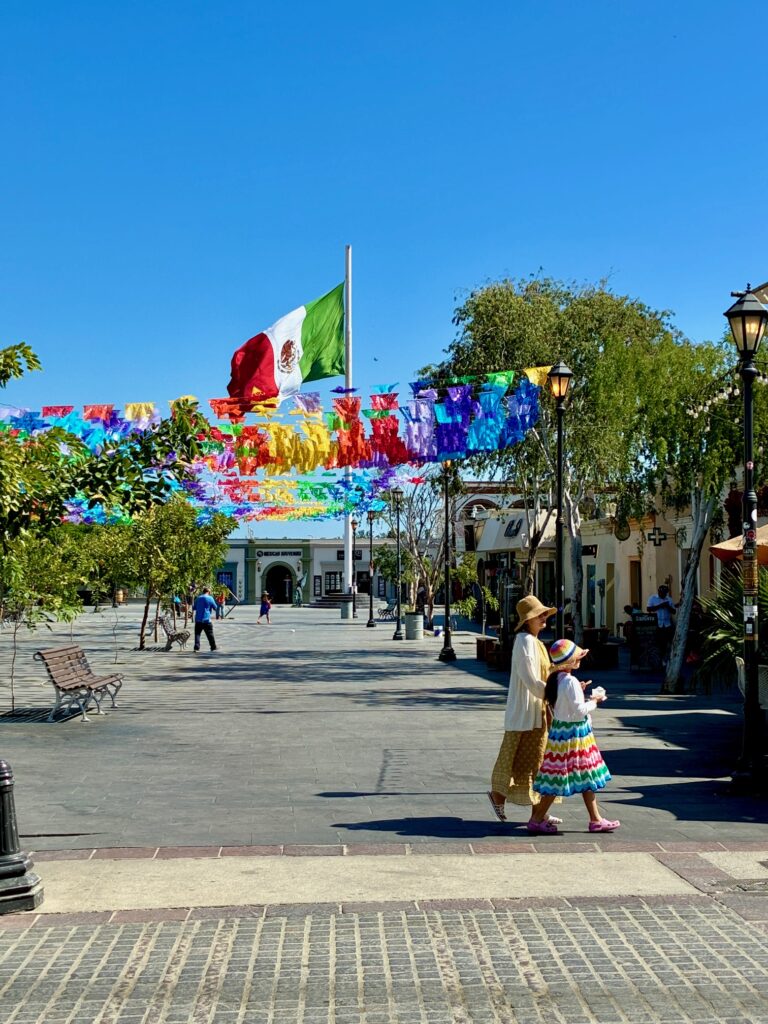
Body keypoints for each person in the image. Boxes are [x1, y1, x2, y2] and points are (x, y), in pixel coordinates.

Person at [528, 639, 618, 834]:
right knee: (563, 777)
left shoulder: (557, 679)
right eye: (577, 656)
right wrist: (595, 701)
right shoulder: (569, 681)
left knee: (580, 776)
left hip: (562, 734)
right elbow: (579, 711)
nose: (580, 660)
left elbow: (565, 704)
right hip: (574, 735)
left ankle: (596, 819)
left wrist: (579, 690)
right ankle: (536, 820)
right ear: (570, 661)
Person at [487, 595, 562, 827]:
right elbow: (530, 679)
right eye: (538, 615)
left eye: (543, 614)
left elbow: (545, 676)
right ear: (527, 620)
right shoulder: (525, 641)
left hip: (536, 711)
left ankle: (539, 810)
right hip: (526, 711)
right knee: (516, 758)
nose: (542, 619)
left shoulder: (536, 642)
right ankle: (501, 797)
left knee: (536, 761)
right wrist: (553, 694)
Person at [647, 584, 677, 665]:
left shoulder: (669, 599)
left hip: (667, 624)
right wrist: (661, 605)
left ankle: (666, 658)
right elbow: (649, 609)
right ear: (659, 592)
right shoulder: (653, 598)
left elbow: (674, 611)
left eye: (664, 593)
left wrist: (667, 606)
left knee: (668, 642)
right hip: (658, 624)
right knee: (659, 642)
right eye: (661, 593)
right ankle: (659, 659)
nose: (663, 595)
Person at [193, 586, 218, 652]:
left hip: (198, 619)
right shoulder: (210, 598)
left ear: (203, 592)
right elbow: (215, 607)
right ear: (209, 592)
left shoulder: (198, 598)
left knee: (197, 634)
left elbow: (194, 607)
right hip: (207, 620)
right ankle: (213, 647)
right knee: (210, 634)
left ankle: (196, 648)